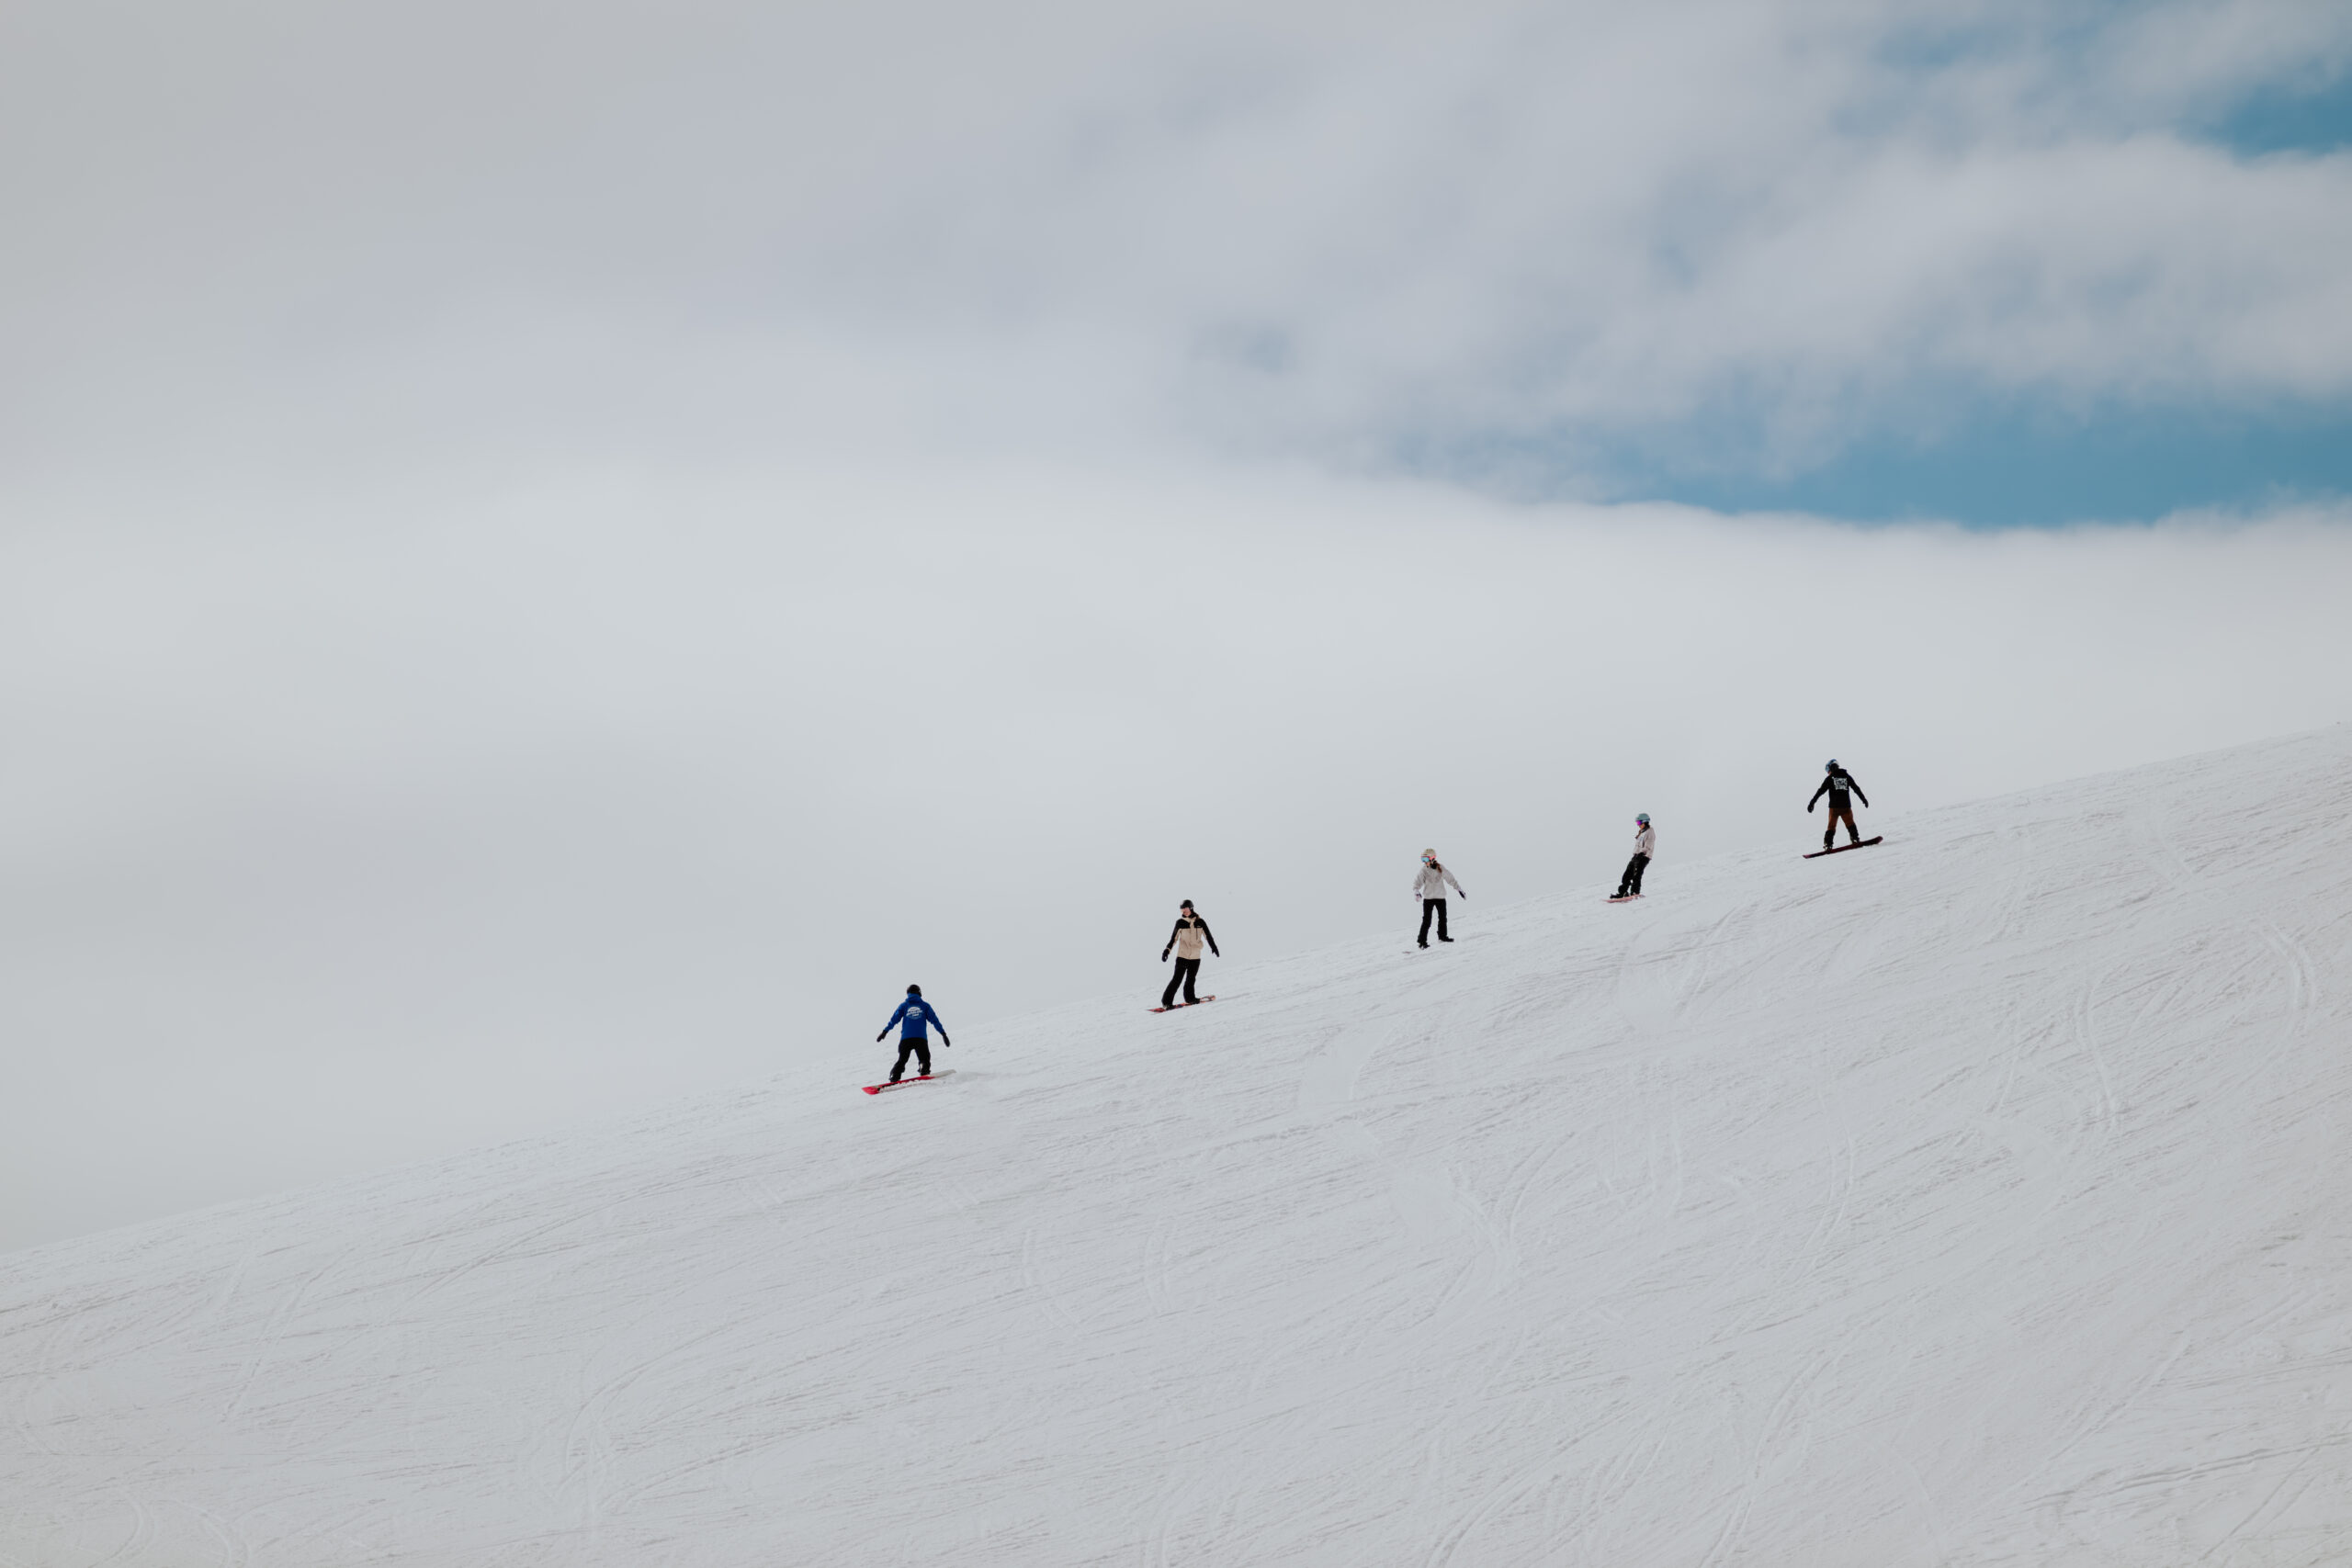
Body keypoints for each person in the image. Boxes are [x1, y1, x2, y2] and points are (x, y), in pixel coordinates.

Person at [876, 984, 949, 1082]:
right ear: (919, 993)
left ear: (908, 993)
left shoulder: (904, 1005)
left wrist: (885, 1031)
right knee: (924, 1058)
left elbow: (894, 1019)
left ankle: (895, 1075)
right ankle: (924, 1068)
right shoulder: (925, 1006)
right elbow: (934, 1020)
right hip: (920, 1038)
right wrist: (943, 1034)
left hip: (906, 1038)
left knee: (902, 1059)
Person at [1159, 900, 1220, 1009]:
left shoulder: (1200, 922)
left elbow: (1208, 936)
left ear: (1191, 908)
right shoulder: (1180, 923)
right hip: (1182, 956)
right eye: (1182, 909)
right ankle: (1166, 1002)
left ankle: (1190, 998)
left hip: (1195, 957)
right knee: (1177, 979)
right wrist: (1167, 950)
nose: (1184, 911)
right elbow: (1173, 939)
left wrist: (1214, 947)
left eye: (1186, 908)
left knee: (1191, 979)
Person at [1808, 759, 1871, 850]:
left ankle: (1828, 845)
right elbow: (1856, 788)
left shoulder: (1830, 778)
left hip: (1834, 807)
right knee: (1850, 823)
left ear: (1830, 768)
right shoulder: (1846, 776)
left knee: (1831, 827)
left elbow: (1820, 791)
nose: (1828, 773)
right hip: (1846, 806)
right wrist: (1863, 799)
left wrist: (1812, 802)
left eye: (1828, 771)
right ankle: (1855, 839)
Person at [1413, 850, 1465, 947]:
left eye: (1426, 859)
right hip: (1428, 898)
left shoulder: (1440, 867)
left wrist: (1459, 889)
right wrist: (1416, 891)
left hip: (1440, 897)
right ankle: (1422, 941)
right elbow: (1418, 881)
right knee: (1427, 920)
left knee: (1443, 918)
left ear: (1432, 858)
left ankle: (1443, 936)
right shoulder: (1424, 870)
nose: (1424, 861)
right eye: (1422, 859)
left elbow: (1450, 878)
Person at [1616, 814, 1656, 897]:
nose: (1638, 824)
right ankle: (1622, 892)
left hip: (1644, 856)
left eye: (1639, 822)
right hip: (1636, 856)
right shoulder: (1642, 832)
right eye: (1637, 823)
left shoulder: (1650, 832)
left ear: (1645, 822)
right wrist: (1636, 854)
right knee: (1627, 874)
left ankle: (1635, 892)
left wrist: (1642, 853)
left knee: (1636, 875)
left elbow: (1649, 844)